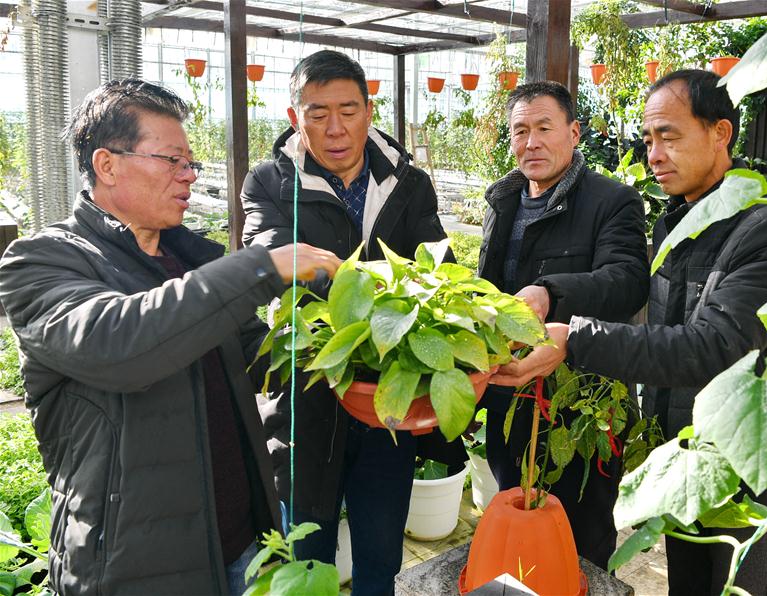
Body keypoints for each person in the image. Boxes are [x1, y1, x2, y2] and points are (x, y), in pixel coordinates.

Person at [0, 79, 342, 596]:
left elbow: (261, 359)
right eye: (172, 161)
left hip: (239, 546)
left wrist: (358, 343)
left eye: (191, 164)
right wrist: (259, 268)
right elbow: (121, 343)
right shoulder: (42, 261)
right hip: (134, 565)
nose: (188, 176)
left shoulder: (191, 259)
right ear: (106, 164)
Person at [492, 70, 767, 595]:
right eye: (648, 140)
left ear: (720, 133)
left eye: (670, 136)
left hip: (753, 474)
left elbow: (712, 346)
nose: (655, 155)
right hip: (687, 463)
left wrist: (573, 337)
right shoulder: (675, 224)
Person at [241, 49, 456, 595]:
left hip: (390, 390)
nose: (335, 128)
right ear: (295, 117)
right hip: (307, 396)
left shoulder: (408, 182)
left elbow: (440, 268)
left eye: (348, 110)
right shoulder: (270, 182)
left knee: (379, 557)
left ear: (369, 109)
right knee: (307, 558)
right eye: (317, 113)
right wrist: (364, 287)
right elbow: (269, 257)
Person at [477, 80, 649, 569]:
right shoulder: (503, 202)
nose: (531, 142)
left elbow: (627, 281)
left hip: (580, 403)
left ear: (574, 133)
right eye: (520, 130)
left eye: (544, 128)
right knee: (517, 506)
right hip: (510, 393)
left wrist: (552, 291)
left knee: (581, 532)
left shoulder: (611, 201)